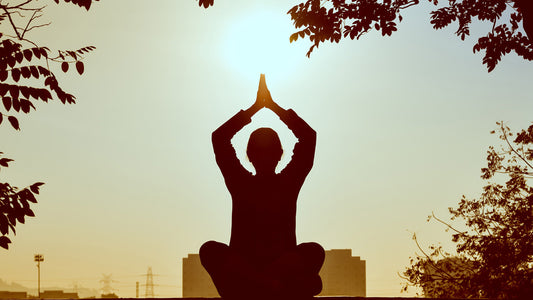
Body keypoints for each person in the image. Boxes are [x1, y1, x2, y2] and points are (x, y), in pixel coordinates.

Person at [200, 75, 324, 300]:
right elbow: (308, 137)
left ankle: (263, 283)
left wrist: (259, 108)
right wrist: (268, 107)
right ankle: (270, 285)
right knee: (210, 250)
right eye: (262, 151)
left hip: (255, 276)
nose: (265, 156)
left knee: (314, 251)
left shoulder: (251, 181)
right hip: (256, 271)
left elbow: (220, 138)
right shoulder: (251, 182)